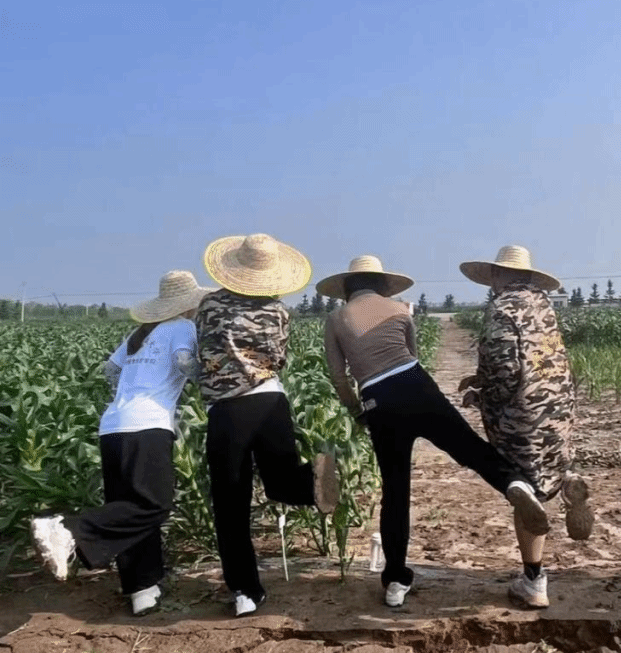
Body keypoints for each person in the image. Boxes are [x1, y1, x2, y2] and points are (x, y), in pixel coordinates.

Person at [318, 255, 550, 608]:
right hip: (417, 384)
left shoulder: (336, 319)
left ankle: (395, 581)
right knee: (468, 447)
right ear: (382, 284)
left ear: (346, 288)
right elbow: (411, 354)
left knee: (395, 490)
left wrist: (357, 411)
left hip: (378, 399)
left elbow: (338, 377)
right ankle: (512, 483)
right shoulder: (399, 309)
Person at [31, 270, 211, 616]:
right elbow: (183, 362)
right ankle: (67, 528)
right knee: (153, 505)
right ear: (189, 305)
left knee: (128, 507)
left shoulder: (138, 334)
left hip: (113, 425)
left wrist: (130, 392)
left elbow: (110, 370)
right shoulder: (182, 327)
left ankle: (143, 588)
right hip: (147, 425)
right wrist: (208, 381)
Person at [197, 233, 340, 617]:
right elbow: (278, 359)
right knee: (281, 481)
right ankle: (315, 481)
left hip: (228, 410)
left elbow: (203, 349)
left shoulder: (209, 305)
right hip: (270, 401)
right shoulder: (279, 311)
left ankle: (246, 591)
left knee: (230, 502)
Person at [458, 245, 594, 609]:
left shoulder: (501, 308)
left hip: (522, 415)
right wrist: (481, 378)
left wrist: (481, 396)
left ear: (499, 274)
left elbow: (505, 371)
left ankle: (533, 580)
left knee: (524, 484)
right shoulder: (543, 305)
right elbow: (534, 357)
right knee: (551, 465)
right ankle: (567, 481)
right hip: (558, 408)